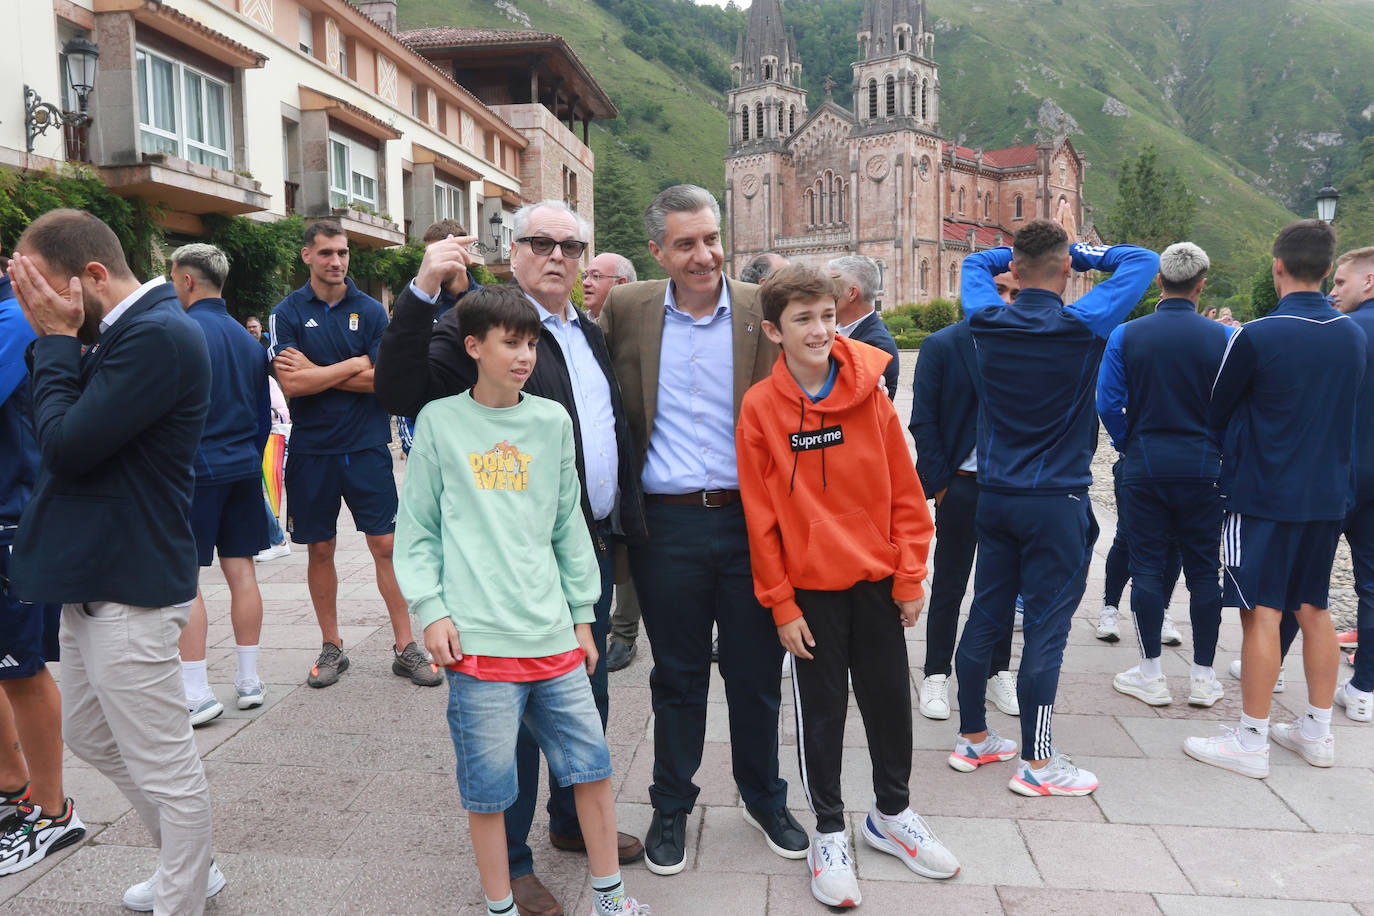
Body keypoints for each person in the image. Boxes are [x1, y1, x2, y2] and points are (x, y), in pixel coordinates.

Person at [375, 202, 646, 916]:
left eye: (571, 244)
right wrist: (423, 290)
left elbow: (585, 455)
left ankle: (569, 828)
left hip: (574, 556)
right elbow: (399, 388)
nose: (558, 255)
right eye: (541, 242)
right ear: (513, 250)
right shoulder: (473, 323)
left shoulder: (585, 330)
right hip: (488, 599)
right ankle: (515, 867)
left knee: (585, 716)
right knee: (505, 736)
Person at [7, 209, 220, 912]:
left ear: (91, 277)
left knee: (165, 763)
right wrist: (64, 339)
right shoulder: (129, 329)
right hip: (97, 577)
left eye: (41, 293)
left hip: (132, 586)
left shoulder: (157, 335)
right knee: (94, 735)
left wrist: (57, 343)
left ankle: (184, 896)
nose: (32, 310)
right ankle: (191, 867)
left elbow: (63, 445)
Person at [599, 185, 806, 874]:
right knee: (678, 676)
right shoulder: (626, 309)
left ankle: (764, 797)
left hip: (752, 524)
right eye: (686, 243)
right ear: (657, 250)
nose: (704, 255)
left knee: (756, 673)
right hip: (667, 527)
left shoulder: (758, 307)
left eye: (711, 238)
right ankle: (670, 806)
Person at [737, 265, 957, 908]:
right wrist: (780, 602)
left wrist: (911, 573)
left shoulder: (872, 389)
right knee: (823, 711)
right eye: (803, 319)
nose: (820, 330)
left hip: (878, 580)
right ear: (774, 331)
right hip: (810, 592)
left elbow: (906, 494)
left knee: (890, 702)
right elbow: (761, 519)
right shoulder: (760, 408)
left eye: (828, 316)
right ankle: (829, 832)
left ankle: (891, 816)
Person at [950, 221, 1158, 796]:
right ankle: (1039, 765)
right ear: (1067, 269)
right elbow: (1142, 259)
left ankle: (973, 737)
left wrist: (1015, 254)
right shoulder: (1084, 324)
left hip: (994, 495)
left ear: (1012, 271)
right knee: (1046, 629)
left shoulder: (986, 319)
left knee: (987, 613)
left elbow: (972, 267)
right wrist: (1087, 256)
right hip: (1055, 499)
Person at [1184, 220, 1366, 777]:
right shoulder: (1353, 335)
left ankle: (1251, 739)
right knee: (1313, 608)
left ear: (1277, 266)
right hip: (1328, 493)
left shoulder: (1256, 335)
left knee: (1259, 611)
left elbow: (1216, 409)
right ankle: (1316, 731)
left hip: (1261, 493)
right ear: (1328, 269)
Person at [268, 220, 441, 689]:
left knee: (386, 546)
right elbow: (291, 383)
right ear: (307, 256)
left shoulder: (371, 311)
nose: (337, 261)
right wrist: (354, 365)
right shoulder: (285, 314)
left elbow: (384, 381)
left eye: (342, 252)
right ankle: (332, 646)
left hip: (366, 447)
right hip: (312, 450)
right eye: (326, 253)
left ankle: (407, 647)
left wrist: (320, 371)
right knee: (319, 548)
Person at [1095, 242, 1230, 708]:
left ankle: (1151, 674)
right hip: (1204, 467)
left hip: (1146, 463)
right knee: (1204, 573)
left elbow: (1107, 401)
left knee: (1147, 567)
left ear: (1159, 281)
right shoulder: (1225, 338)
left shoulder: (1126, 335)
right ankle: (1203, 677)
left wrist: (1126, 442)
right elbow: (1237, 406)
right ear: (1201, 283)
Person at [0, 248, 83, 876]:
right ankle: (11, 787)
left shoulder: (14, 321)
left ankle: (54, 814)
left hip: (12, 522)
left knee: (21, 669)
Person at [909, 271, 1020, 723]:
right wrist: (941, 485)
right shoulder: (943, 345)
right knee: (950, 582)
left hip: (1012, 486)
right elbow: (924, 420)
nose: (1008, 300)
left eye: (1016, 291)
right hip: (962, 483)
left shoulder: (1026, 345)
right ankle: (937, 672)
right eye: (1000, 290)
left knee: (1004, 585)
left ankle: (998, 672)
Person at [167, 244, 271, 723]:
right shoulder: (248, 340)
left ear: (187, 279)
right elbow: (260, 415)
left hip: (197, 469)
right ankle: (248, 680)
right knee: (242, 571)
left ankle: (196, 690)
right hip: (243, 466)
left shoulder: (182, 331)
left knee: (186, 579)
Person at [1326, 246, 1374, 722]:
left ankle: (1271, 669)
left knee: (1302, 577)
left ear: (1369, 282)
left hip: (1336, 472)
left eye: (1341, 283)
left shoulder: (1344, 333)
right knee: (1373, 584)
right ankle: (1364, 691)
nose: (1333, 291)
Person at [394, 220, 482, 457]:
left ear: (463, 253)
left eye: (440, 253)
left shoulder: (487, 304)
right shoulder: (417, 305)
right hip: (428, 433)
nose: (432, 263)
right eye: (429, 256)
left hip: (478, 432)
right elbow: (403, 368)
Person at [828, 255, 899, 399]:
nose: (824, 293)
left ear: (852, 293)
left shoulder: (877, 345)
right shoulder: (833, 331)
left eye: (830, 286)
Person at [582, 252, 636, 320]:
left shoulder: (641, 324)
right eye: (585, 276)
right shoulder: (574, 324)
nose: (585, 283)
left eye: (596, 276)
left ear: (621, 284)